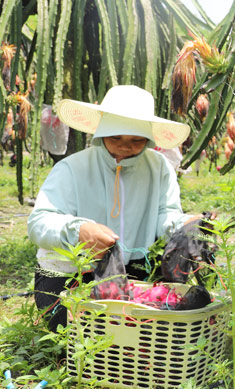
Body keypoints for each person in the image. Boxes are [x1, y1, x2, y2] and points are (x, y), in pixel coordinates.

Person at [28, 85, 195, 329]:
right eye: (115, 137)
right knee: (77, 333)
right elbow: (38, 223)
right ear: (101, 132)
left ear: (148, 139)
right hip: (69, 275)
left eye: (137, 140)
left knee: (144, 332)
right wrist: (79, 230)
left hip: (132, 270)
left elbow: (165, 213)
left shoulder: (158, 167)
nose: (125, 147)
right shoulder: (72, 169)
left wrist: (183, 225)